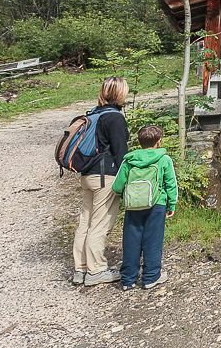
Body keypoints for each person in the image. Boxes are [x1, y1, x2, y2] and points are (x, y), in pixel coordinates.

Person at [72, 77, 129, 287]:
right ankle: (96, 271)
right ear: (118, 93)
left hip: (87, 176)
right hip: (104, 177)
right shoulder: (114, 118)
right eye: (125, 90)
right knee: (100, 224)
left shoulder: (94, 114)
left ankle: (81, 269)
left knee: (85, 223)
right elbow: (121, 153)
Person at [112, 124, 178, 290]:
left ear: (140, 142)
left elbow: (117, 186)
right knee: (153, 241)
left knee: (131, 240)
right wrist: (172, 203)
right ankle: (150, 278)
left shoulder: (129, 160)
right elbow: (171, 184)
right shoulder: (164, 160)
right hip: (157, 205)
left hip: (133, 206)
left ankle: (128, 280)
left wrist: (125, 196)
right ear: (158, 141)